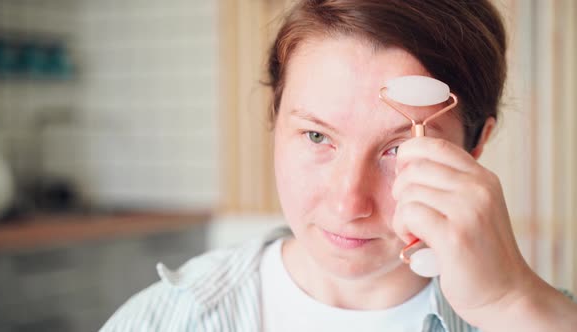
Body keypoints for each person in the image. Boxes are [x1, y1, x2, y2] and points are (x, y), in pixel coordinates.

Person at [101, 0, 577, 331]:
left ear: (476, 146)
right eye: (316, 136)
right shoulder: (164, 320)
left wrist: (513, 305)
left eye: (397, 149)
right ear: (275, 118)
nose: (349, 203)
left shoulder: (538, 318)